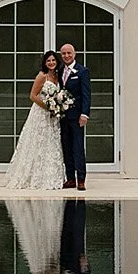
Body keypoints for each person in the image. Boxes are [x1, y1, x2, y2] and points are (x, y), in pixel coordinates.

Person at [2, 50, 69, 190]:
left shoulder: (58, 76)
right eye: (48, 61)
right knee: (37, 142)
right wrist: (48, 106)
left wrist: (57, 105)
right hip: (40, 113)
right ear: (45, 63)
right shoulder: (42, 76)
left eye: (53, 60)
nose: (51, 63)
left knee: (51, 143)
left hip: (53, 115)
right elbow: (32, 96)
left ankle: (51, 176)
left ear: (57, 62)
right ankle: (33, 175)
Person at [57, 41, 92, 190]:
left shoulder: (82, 71)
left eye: (69, 53)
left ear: (74, 54)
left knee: (78, 147)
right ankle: (70, 178)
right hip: (63, 117)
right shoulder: (59, 71)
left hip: (77, 116)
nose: (66, 56)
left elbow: (86, 94)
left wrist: (84, 114)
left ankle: (81, 179)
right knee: (66, 147)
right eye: (63, 53)